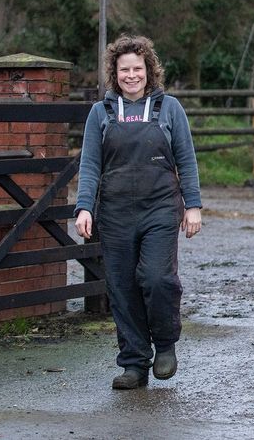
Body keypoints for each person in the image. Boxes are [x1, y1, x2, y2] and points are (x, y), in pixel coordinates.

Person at [74, 34, 202, 390]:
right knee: (122, 287)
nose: (132, 75)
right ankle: (134, 364)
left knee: (157, 278)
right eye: (124, 69)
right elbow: (89, 165)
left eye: (138, 68)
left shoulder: (169, 108)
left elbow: (186, 161)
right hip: (114, 212)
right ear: (115, 74)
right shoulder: (101, 112)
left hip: (160, 207)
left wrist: (193, 206)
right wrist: (84, 207)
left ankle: (164, 344)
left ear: (149, 70)